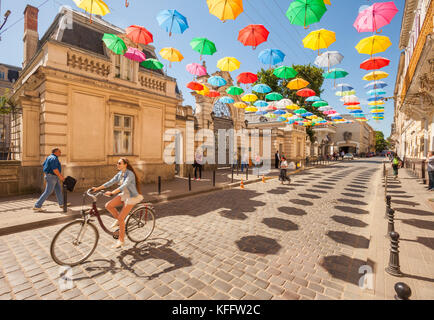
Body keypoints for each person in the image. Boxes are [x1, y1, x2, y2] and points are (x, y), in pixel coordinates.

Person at [91, 158, 143, 249]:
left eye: (119, 163)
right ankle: (120, 221)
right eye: (117, 163)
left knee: (121, 218)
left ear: (125, 164)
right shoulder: (120, 174)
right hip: (124, 194)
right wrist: (97, 188)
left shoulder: (130, 174)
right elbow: (110, 182)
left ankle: (121, 240)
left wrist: (112, 192)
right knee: (108, 205)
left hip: (131, 197)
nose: (117, 165)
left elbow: (124, 185)